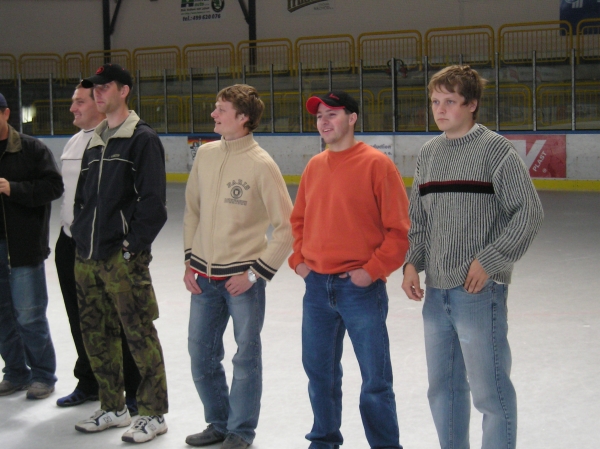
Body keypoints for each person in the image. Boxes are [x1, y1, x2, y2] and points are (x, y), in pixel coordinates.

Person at [401, 65, 544, 449]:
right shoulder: (429, 154)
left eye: (450, 101)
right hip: (436, 294)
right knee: (443, 390)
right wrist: (412, 263)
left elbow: (529, 212)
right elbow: (419, 219)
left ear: (472, 104)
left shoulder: (496, 150)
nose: (440, 109)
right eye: (435, 101)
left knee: (490, 393)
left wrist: (491, 260)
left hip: (479, 293)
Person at [288, 91, 410, 449]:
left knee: (375, 380)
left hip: (360, 290)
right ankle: (324, 440)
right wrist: (299, 262)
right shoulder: (315, 166)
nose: (324, 122)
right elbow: (298, 221)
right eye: (319, 116)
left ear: (352, 118)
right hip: (316, 289)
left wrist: (371, 271)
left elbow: (399, 231)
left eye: (333, 114)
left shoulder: (376, 165)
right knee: (319, 375)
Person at [183, 84, 293, 449]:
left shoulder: (262, 164)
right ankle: (218, 422)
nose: (213, 114)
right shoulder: (205, 155)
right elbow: (192, 211)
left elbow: (288, 227)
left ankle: (241, 431)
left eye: (221, 109)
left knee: (245, 358)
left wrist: (255, 273)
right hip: (203, 278)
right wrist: (189, 260)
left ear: (243, 117)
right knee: (201, 355)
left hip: (242, 281)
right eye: (215, 108)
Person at [70, 64, 168, 444]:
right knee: (96, 335)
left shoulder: (142, 139)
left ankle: (153, 413)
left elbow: (154, 205)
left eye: (104, 86)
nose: (97, 93)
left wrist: (128, 251)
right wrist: (82, 240)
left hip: (122, 260)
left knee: (139, 335)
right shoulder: (95, 140)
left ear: (124, 90)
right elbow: (83, 199)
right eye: (94, 88)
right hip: (88, 257)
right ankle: (113, 406)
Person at [54, 83, 141, 413]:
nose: (73, 108)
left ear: (100, 103)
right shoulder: (74, 141)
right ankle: (90, 380)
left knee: (119, 318)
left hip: (104, 245)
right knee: (81, 318)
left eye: (80, 101)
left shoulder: (118, 141)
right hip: (69, 242)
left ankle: (132, 388)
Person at [0, 92, 63, 399]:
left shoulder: (31, 148)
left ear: (5, 114)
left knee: (29, 315)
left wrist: (13, 189)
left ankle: (43, 375)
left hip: (23, 248)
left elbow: (54, 186)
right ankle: (15, 372)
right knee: (2, 316)